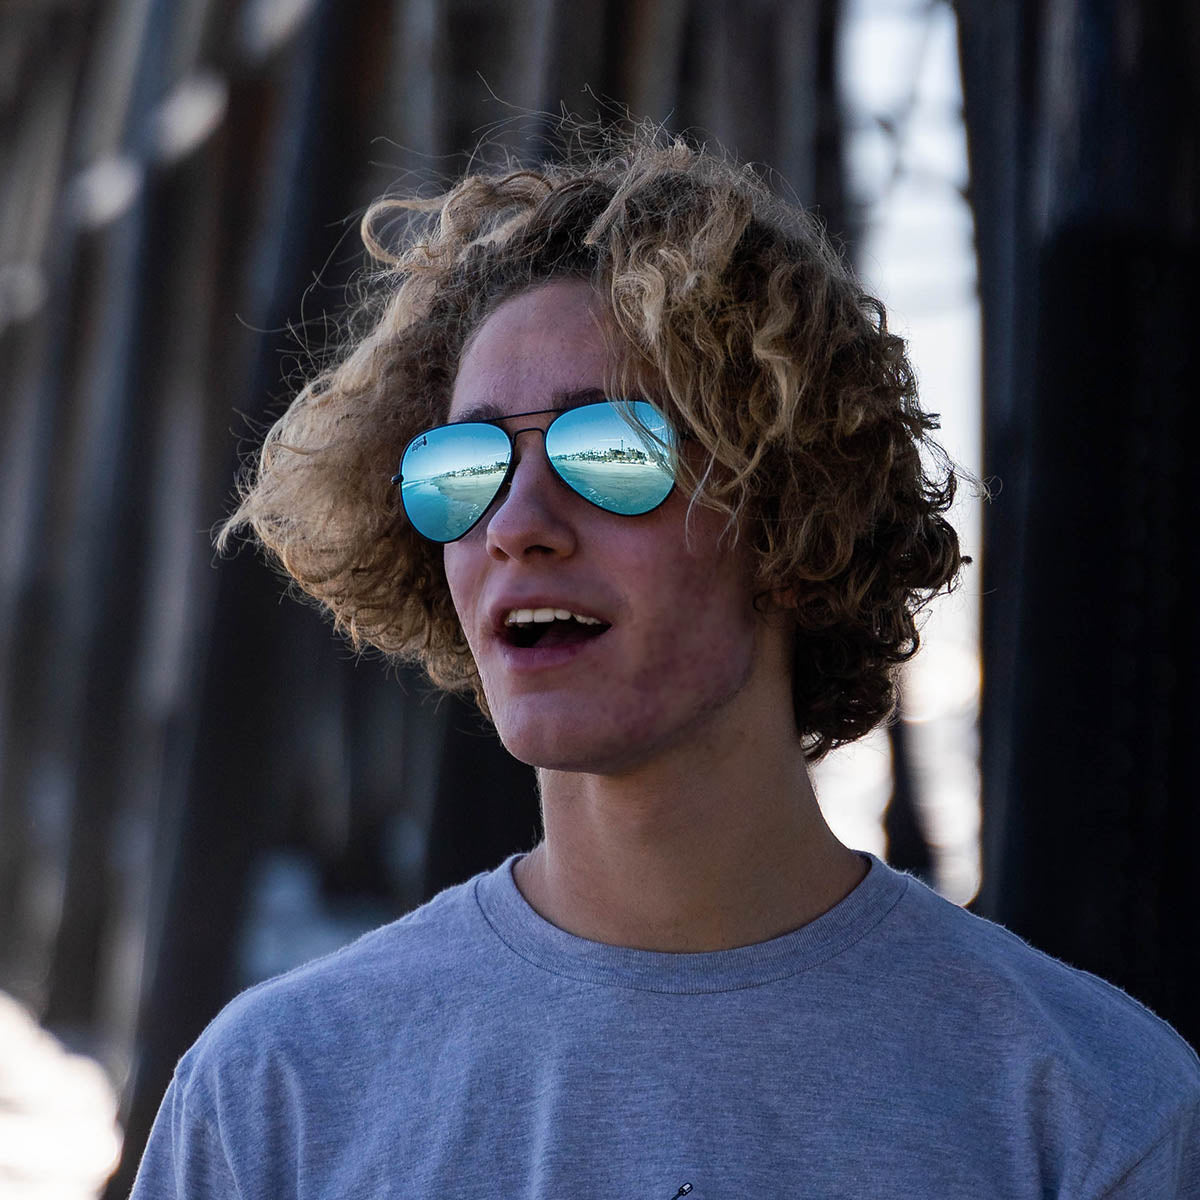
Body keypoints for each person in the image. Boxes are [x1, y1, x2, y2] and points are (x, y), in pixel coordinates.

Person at [131, 128, 1199, 1198]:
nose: (517, 524)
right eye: (466, 466)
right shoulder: (274, 1098)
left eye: (610, 452)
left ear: (790, 523)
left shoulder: (1089, 1109)